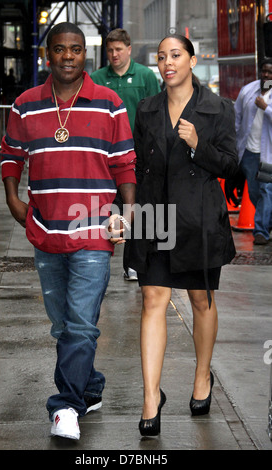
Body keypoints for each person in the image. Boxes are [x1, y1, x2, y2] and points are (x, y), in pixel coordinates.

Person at [0, 22, 136, 441]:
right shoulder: (25, 105)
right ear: (47, 55)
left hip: (94, 231)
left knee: (81, 324)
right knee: (63, 325)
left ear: (85, 54)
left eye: (76, 49)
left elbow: (125, 165)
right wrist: (11, 196)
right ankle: (90, 385)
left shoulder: (109, 103)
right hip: (45, 228)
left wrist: (126, 216)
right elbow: (10, 155)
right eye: (60, 49)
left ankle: (65, 407)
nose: (68, 56)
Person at [126, 34, 238, 436]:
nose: (167, 63)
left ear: (192, 60)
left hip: (198, 219)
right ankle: (151, 397)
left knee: (200, 301)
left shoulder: (217, 108)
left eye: (175, 56)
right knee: (152, 297)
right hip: (155, 215)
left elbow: (230, 166)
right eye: (161, 57)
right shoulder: (147, 108)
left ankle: (202, 377)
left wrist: (197, 144)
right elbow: (138, 167)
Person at [91, 28, 160, 281]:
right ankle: (99, 262)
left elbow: (156, 114)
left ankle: (132, 263)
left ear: (129, 49)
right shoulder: (97, 78)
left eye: (119, 49)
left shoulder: (144, 76)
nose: (114, 54)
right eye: (110, 50)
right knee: (106, 207)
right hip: (105, 156)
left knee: (135, 208)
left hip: (137, 156)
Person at [234, 59, 272, 245]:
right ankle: (267, 221)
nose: (266, 75)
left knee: (266, 190)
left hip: (269, 154)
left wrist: (267, 109)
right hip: (249, 151)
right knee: (254, 193)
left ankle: (261, 231)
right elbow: (237, 118)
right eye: (264, 71)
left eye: (270, 73)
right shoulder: (248, 91)